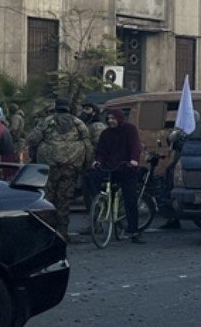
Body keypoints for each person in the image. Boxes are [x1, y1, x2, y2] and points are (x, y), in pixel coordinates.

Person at [25, 97, 92, 238]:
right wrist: (86, 165)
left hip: (49, 167)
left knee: (48, 199)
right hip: (70, 167)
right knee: (65, 201)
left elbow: (32, 139)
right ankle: (63, 233)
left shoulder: (47, 122)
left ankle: (47, 231)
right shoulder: (78, 123)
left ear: (56, 107)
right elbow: (88, 145)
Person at [89, 107, 144, 242]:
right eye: (108, 119)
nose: (110, 121)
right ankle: (101, 204)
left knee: (130, 200)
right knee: (92, 177)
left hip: (127, 168)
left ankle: (133, 231)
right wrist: (98, 161)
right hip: (111, 168)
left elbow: (135, 146)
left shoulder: (130, 130)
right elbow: (101, 151)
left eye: (113, 118)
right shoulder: (106, 134)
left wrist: (134, 160)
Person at [150, 117, 185, 229]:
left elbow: (180, 146)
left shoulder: (189, 133)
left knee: (171, 188)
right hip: (176, 163)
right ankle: (172, 217)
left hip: (181, 165)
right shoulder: (181, 132)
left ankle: (174, 216)